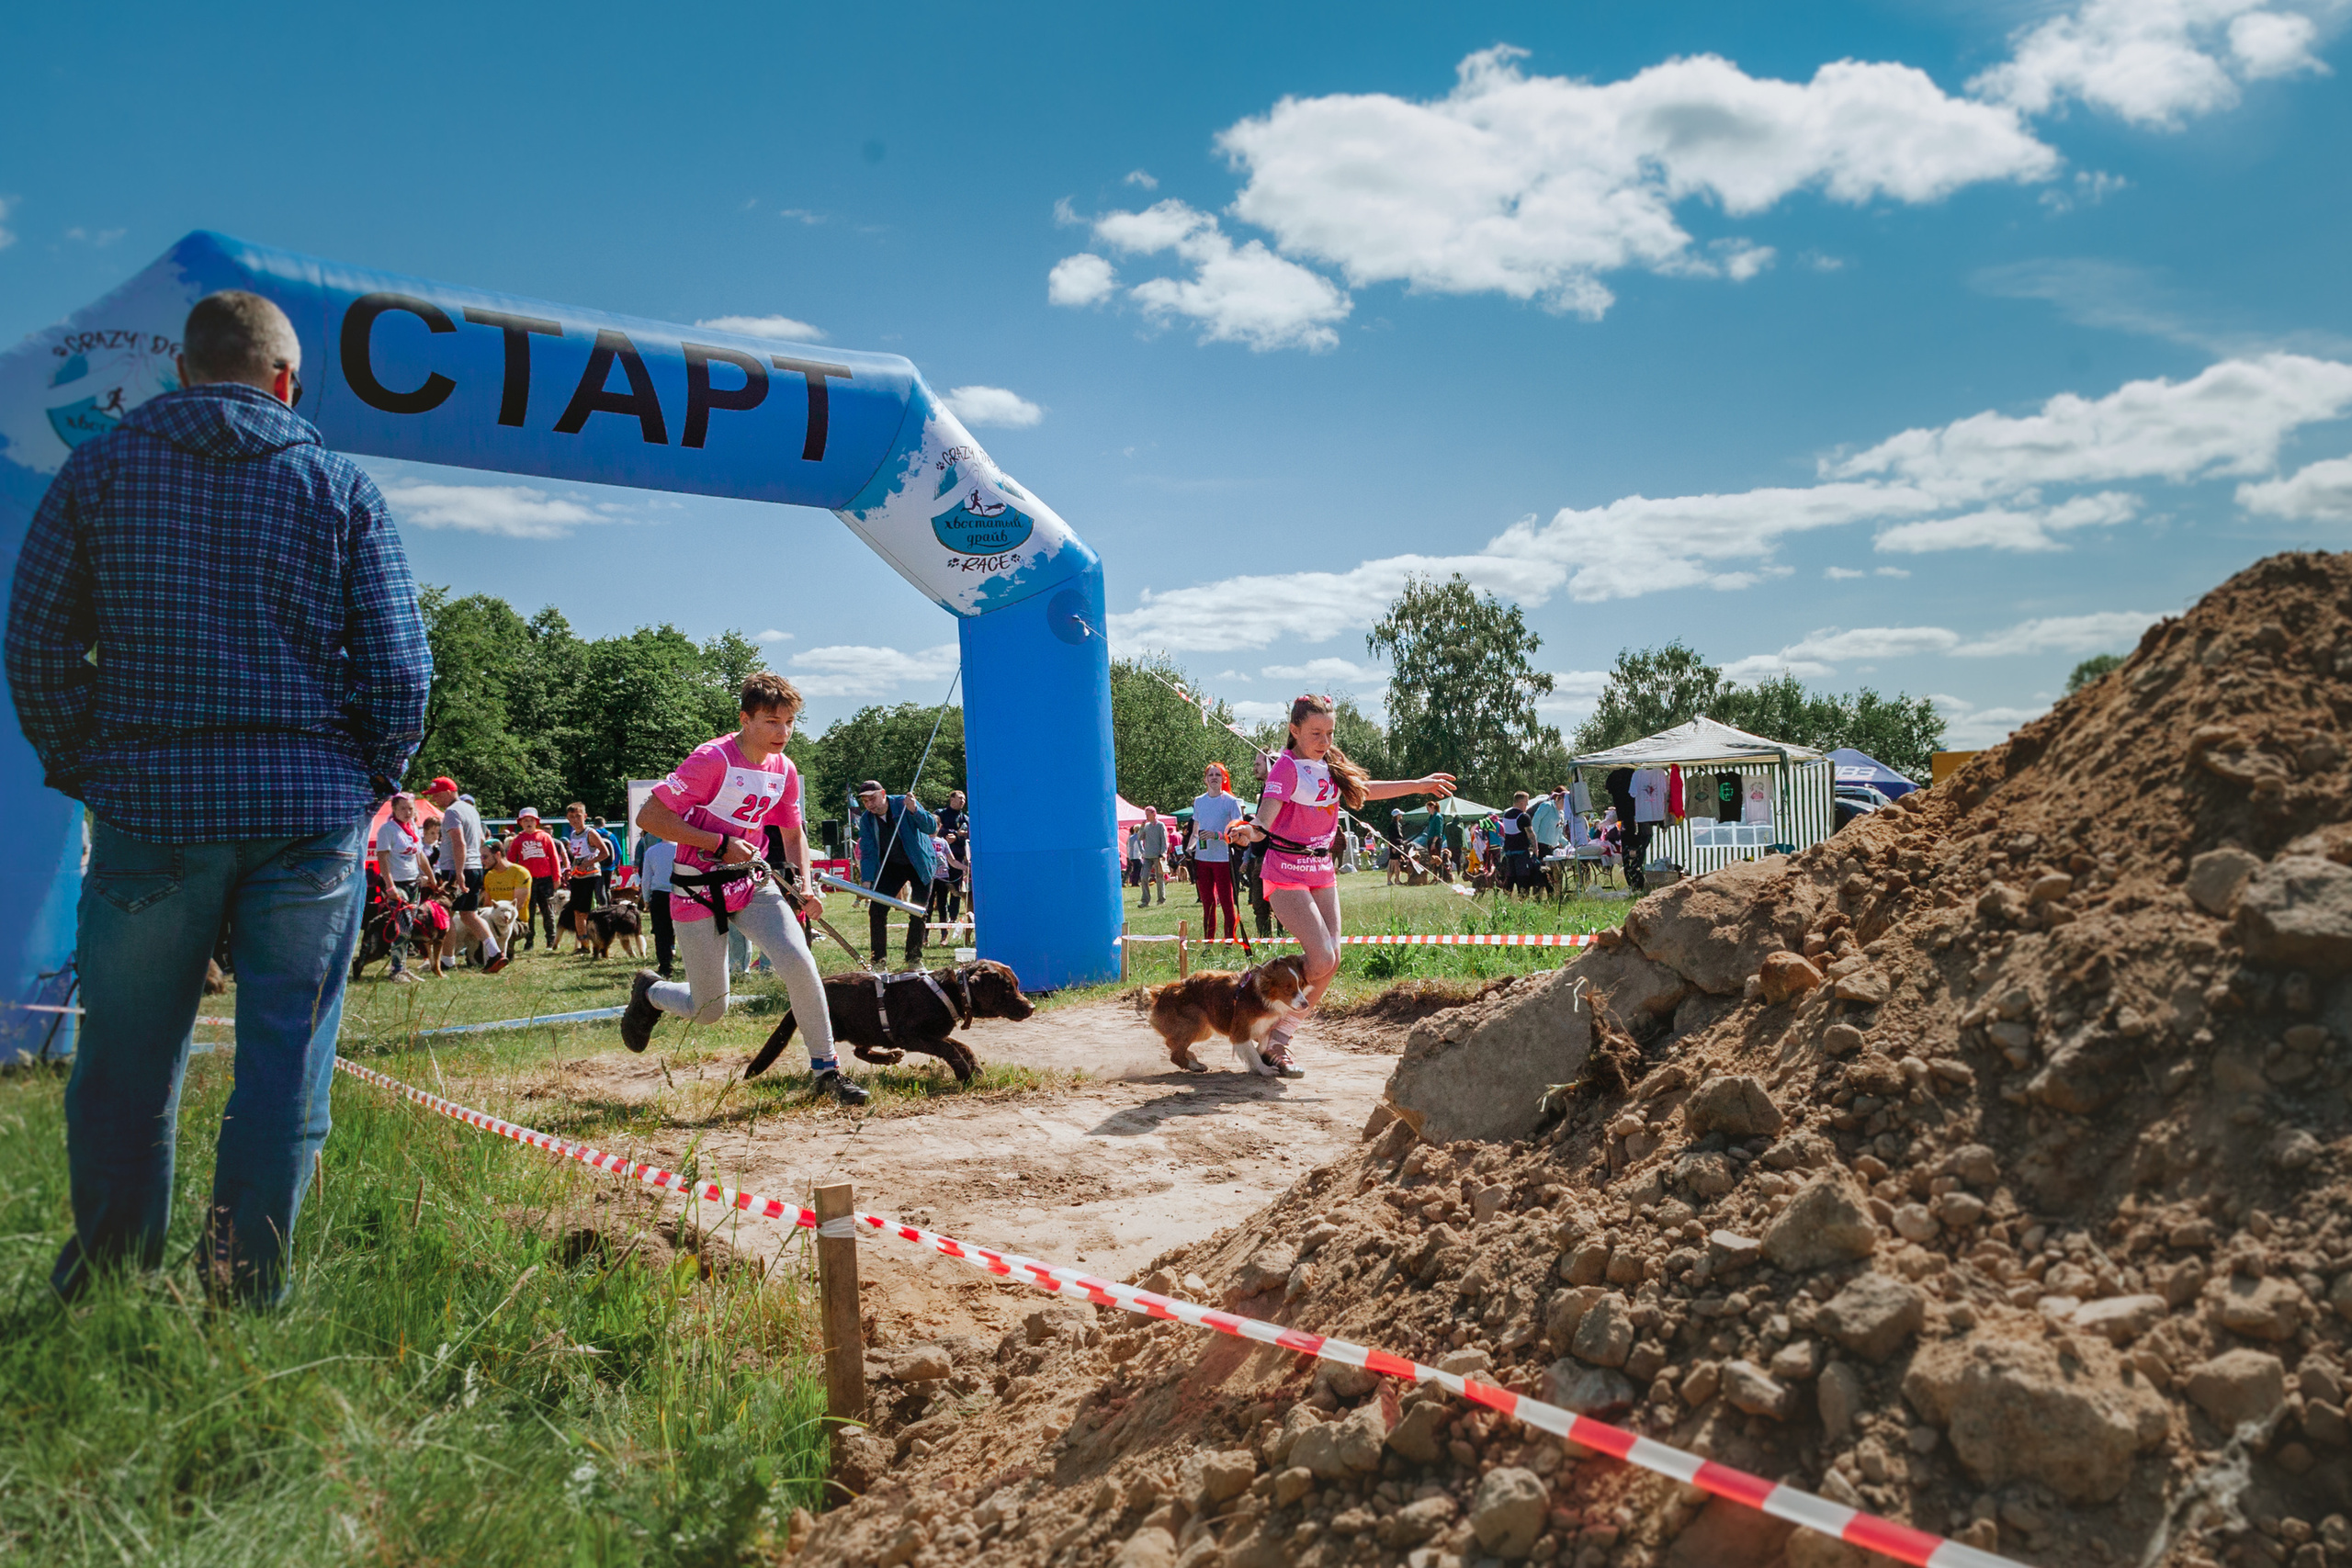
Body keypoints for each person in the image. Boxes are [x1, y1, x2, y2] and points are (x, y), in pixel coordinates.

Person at [6, 288, 431, 1305]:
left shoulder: (98, 469)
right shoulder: (339, 484)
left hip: (151, 807)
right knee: (283, 1069)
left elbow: (34, 644)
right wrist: (366, 777)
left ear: (185, 373)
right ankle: (243, 1293)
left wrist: (88, 766)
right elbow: (402, 674)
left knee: (124, 1069)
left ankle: (107, 1286)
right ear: (287, 381)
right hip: (307, 815)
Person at [620, 674, 865, 1103]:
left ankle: (827, 1072)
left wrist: (807, 887)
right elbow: (650, 818)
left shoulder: (784, 768)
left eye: (790, 722)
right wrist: (717, 843)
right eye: (772, 721)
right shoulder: (711, 759)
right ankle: (652, 991)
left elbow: (793, 835)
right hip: (695, 889)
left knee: (800, 964)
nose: (783, 733)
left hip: (752, 884)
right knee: (709, 1009)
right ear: (745, 719)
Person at [1226, 694, 1454, 1077]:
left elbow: (1364, 788)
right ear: (1294, 730)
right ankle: (1259, 1000)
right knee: (1323, 959)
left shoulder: (1331, 763)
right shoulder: (1285, 767)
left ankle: (1277, 1040)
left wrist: (1417, 784)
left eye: (1329, 732)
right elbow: (1266, 814)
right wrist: (1250, 831)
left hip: (1321, 870)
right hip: (1285, 870)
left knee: (1331, 960)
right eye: (1315, 733)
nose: (1324, 740)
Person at [424, 776, 505, 975]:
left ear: (448, 792)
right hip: (474, 866)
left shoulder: (452, 812)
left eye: (436, 794)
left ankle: (447, 961)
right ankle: (495, 953)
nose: (434, 799)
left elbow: (459, 842)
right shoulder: (471, 810)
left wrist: (458, 873)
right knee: (470, 915)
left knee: (446, 915)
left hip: (456, 870)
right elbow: (480, 840)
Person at [854, 779, 937, 969]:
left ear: (883, 794)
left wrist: (916, 810)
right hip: (891, 866)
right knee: (877, 909)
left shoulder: (904, 803)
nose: (869, 805)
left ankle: (914, 959)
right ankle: (878, 960)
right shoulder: (866, 819)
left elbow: (931, 828)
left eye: (872, 799)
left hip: (919, 864)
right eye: (865, 801)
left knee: (918, 911)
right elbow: (867, 851)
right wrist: (867, 880)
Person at [373, 794, 431, 981]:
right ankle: (396, 970)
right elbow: (382, 858)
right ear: (394, 810)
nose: (407, 812)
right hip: (397, 883)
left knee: (409, 926)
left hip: (413, 881)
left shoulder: (413, 828)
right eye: (403, 809)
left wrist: (431, 877)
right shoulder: (387, 830)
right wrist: (390, 887)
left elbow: (420, 855)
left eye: (410, 809)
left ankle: (402, 966)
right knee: (402, 924)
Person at [1190, 763, 1244, 944]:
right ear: (1205, 779)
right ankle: (1208, 942)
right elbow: (1195, 831)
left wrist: (1218, 835)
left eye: (1218, 775)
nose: (1214, 777)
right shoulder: (1199, 801)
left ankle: (1229, 941)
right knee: (1208, 904)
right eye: (1210, 775)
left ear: (1224, 779)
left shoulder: (1231, 801)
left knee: (1227, 904)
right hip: (1202, 859)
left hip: (1223, 859)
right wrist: (1189, 849)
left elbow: (1239, 831)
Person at [506, 807, 564, 949]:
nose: (529, 823)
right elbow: (511, 860)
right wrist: (511, 878)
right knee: (529, 912)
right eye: (525, 820)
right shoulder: (518, 840)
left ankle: (551, 940)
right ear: (521, 823)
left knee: (547, 911)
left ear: (536, 822)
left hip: (545, 879)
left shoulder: (545, 837)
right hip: (527, 881)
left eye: (531, 820)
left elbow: (554, 858)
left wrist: (557, 877)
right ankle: (529, 940)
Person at [637, 829, 678, 978]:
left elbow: (646, 878)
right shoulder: (680, 849)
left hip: (659, 894)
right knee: (685, 931)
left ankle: (665, 965)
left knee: (661, 932)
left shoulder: (651, 851)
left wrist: (646, 899)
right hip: (680, 893)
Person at [563, 802, 610, 914]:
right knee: (577, 910)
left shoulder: (590, 833)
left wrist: (589, 863)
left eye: (578, 816)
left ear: (585, 816)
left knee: (594, 908)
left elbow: (605, 853)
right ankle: (582, 932)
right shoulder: (573, 834)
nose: (575, 820)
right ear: (568, 818)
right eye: (572, 817)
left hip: (592, 875)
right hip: (578, 875)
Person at [481, 839, 533, 928]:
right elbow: (487, 905)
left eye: (485, 857)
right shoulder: (489, 875)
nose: (482, 861)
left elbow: (518, 905)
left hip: (516, 921)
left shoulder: (521, 872)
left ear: (497, 855)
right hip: (494, 921)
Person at [1499, 791, 1536, 895]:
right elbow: (1531, 835)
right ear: (1521, 803)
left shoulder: (1506, 815)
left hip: (1509, 850)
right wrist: (1535, 849)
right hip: (1521, 850)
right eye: (1526, 803)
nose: (1527, 805)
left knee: (1510, 876)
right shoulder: (1524, 816)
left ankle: (1508, 896)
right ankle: (1522, 897)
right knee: (1523, 876)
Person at [1136, 806, 1169, 907]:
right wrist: (1141, 827)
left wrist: (1164, 853)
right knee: (1144, 877)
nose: (1146, 817)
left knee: (1159, 878)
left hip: (1157, 855)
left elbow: (1164, 840)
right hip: (1147, 856)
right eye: (1145, 815)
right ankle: (1145, 900)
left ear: (1154, 814)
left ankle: (1161, 899)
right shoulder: (1146, 826)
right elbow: (1140, 838)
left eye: (1148, 815)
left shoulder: (1160, 825)